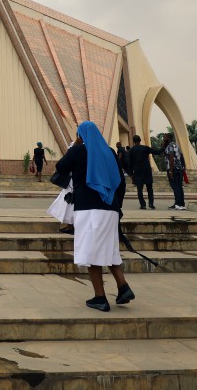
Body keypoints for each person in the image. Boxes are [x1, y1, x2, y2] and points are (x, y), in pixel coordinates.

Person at [54, 121, 133, 312]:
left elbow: (60, 167)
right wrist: (117, 206)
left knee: (90, 252)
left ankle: (100, 297)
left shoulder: (78, 151)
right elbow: (120, 182)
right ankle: (123, 287)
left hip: (88, 209)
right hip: (110, 208)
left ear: (81, 135)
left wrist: (74, 145)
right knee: (109, 248)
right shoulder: (110, 153)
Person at [126, 134, 161, 210]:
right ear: (140, 140)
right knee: (149, 188)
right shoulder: (145, 148)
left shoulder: (131, 150)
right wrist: (164, 146)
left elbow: (130, 163)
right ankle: (151, 204)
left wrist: (131, 174)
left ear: (133, 141)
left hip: (138, 171)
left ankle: (143, 204)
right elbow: (157, 152)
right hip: (147, 171)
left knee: (139, 189)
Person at [162, 133, 187, 210]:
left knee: (175, 187)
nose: (163, 138)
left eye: (164, 137)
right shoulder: (176, 145)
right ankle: (181, 204)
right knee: (179, 186)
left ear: (168, 138)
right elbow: (181, 156)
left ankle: (178, 204)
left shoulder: (170, 146)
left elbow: (171, 158)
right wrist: (183, 167)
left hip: (173, 169)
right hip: (179, 169)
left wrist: (171, 171)